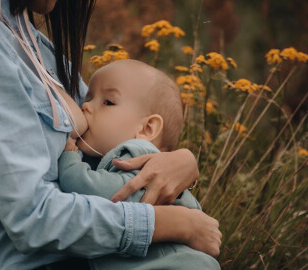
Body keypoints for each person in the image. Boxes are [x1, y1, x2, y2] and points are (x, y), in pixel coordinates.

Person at [0, 0, 221, 269]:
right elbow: (31, 217)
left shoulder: (32, 42)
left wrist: (181, 159)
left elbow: (110, 129)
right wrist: (171, 224)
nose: (90, 107)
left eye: (103, 101)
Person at [58, 59, 220, 270]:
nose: (85, 106)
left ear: (148, 129)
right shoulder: (109, 157)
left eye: (108, 102)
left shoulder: (136, 157)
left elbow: (88, 188)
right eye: (88, 98)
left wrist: (69, 157)